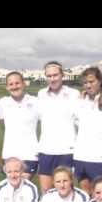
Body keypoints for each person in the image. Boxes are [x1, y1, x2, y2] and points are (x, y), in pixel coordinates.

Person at [37, 61, 80, 193]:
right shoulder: (41, 94)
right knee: (46, 191)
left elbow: (81, 121)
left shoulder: (74, 94)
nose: (52, 79)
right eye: (49, 76)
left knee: (66, 191)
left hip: (66, 150)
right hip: (46, 150)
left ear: (62, 75)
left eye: (55, 75)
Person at [73, 67, 102, 195]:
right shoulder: (80, 102)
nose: (88, 85)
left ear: (100, 81)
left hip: (100, 159)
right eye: (85, 82)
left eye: (91, 81)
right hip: (80, 156)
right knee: (85, 194)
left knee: (101, 196)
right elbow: (77, 124)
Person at [0, 72, 39, 179]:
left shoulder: (35, 102)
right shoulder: (2, 103)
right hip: (9, 154)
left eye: (17, 83)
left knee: (24, 188)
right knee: (12, 190)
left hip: (30, 154)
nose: (14, 86)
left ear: (24, 84)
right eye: (11, 84)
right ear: (7, 87)